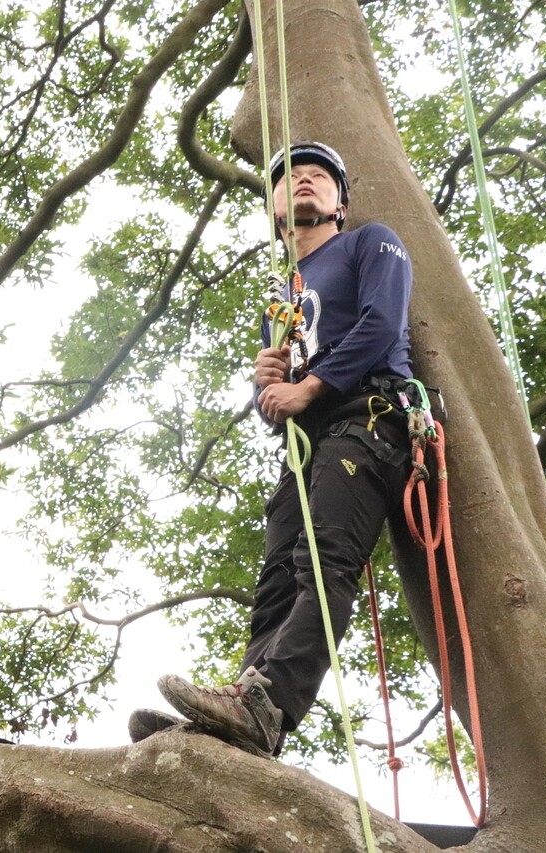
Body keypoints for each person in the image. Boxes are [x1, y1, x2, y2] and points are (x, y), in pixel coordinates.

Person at [142, 142, 415, 757]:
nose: (304, 182)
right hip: (306, 444)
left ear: (340, 203)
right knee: (276, 580)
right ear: (273, 207)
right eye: (290, 178)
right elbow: (279, 405)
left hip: (367, 417)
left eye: (320, 177)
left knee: (324, 560)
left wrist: (310, 385)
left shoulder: (371, 242)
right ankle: (243, 714)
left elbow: (382, 324)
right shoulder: (281, 297)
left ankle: (270, 702)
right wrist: (271, 380)